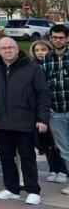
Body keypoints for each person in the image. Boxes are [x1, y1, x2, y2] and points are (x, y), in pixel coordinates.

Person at [0, 36, 50, 205]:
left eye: (10, 47)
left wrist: (42, 119)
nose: (7, 50)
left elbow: (42, 94)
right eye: (3, 48)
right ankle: (11, 188)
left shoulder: (32, 68)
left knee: (28, 157)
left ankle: (33, 190)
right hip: (0, 121)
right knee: (5, 157)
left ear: (17, 48)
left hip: (25, 120)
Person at [31, 40, 68, 184]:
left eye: (43, 49)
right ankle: (53, 168)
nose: (40, 52)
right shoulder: (32, 66)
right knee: (46, 143)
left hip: (57, 109)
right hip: (43, 111)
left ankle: (63, 170)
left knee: (60, 143)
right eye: (37, 50)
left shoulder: (52, 64)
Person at [40, 23, 69, 194]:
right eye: (55, 38)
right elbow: (41, 87)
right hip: (56, 113)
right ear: (50, 39)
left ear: (67, 39)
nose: (58, 41)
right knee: (65, 149)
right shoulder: (45, 59)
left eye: (61, 38)